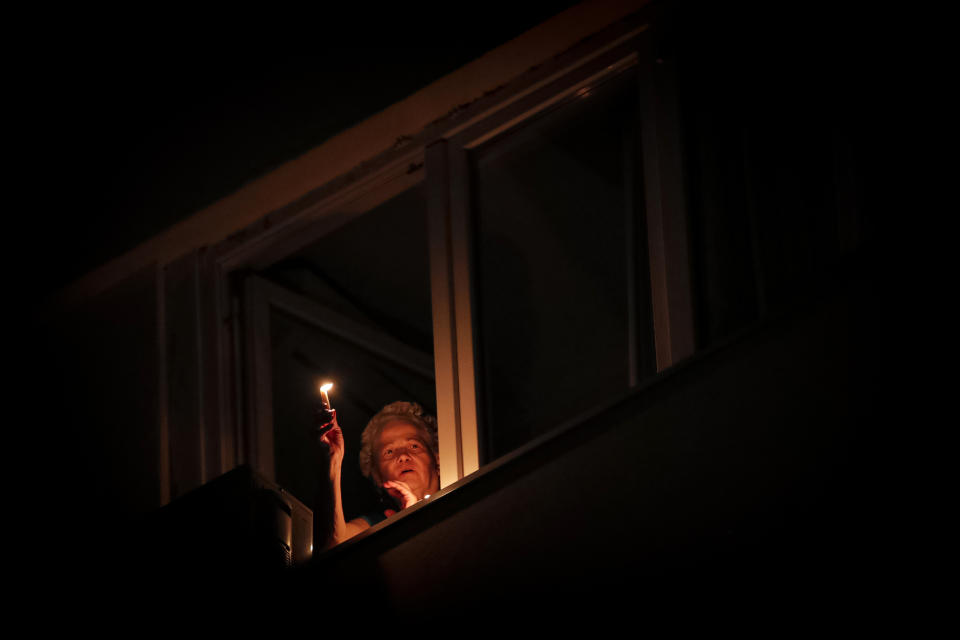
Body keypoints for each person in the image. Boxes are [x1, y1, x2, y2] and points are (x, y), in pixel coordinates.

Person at [316, 400, 440, 547]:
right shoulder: (375, 525)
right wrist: (334, 459)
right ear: (376, 475)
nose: (403, 456)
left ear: (437, 458)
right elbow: (335, 544)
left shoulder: (461, 503)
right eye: (389, 451)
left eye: (414, 446)